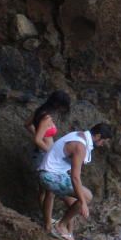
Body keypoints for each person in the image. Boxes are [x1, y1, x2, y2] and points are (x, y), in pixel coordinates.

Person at [37, 123, 113, 240]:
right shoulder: (80, 146)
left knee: (73, 203)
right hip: (50, 176)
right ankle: (60, 225)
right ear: (98, 136)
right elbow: (75, 178)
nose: (103, 144)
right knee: (87, 196)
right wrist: (83, 202)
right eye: (103, 141)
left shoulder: (79, 135)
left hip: (48, 171)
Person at [24, 90, 71, 232]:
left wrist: (40, 134)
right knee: (49, 192)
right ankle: (48, 224)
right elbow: (37, 139)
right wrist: (50, 152)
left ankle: (46, 219)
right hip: (44, 155)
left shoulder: (40, 111)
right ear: (58, 104)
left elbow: (27, 124)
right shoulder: (46, 117)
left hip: (40, 154)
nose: (63, 110)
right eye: (63, 106)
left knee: (43, 191)